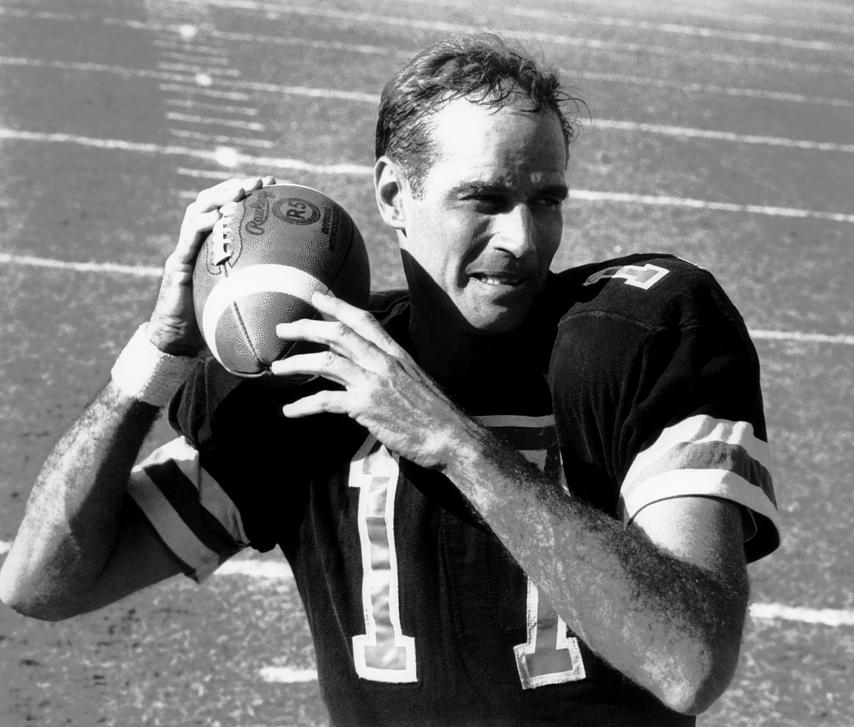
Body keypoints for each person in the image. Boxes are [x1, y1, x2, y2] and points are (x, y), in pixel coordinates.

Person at [0, 34, 779, 726]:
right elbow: (40, 583)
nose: (522, 238)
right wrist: (157, 355)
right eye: (484, 199)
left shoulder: (633, 340)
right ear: (393, 196)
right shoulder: (309, 380)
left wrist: (456, 444)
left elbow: (691, 662)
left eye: (546, 200)